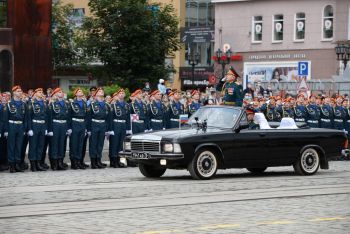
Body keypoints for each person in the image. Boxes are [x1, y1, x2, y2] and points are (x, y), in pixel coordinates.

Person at [3, 86, 27, 173]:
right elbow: (5, 118)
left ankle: (17, 164)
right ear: (14, 92)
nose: (20, 92)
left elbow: (25, 118)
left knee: (19, 146)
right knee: (11, 146)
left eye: (21, 91)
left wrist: (24, 128)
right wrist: (6, 130)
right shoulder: (8, 104)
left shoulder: (23, 104)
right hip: (11, 125)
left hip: (20, 126)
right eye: (18, 91)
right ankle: (12, 165)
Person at [87, 87, 111, 169]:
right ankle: (93, 162)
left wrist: (107, 129)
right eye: (99, 91)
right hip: (94, 124)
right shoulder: (92, 104)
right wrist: (89, 129)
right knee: (93, 144)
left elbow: (108, 118)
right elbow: (88, 118)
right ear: (96, 94)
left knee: (100, 144)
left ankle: (98, 160)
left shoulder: (106, 105)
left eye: (102, 91)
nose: (101, 92)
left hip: (102, 125)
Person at [27, 88, 49, 172]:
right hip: (34, 125)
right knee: (33, 145)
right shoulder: (31, 103)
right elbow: (29, 117)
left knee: (40, 145)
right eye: (39, 92)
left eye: (41, 92)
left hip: (42, 125)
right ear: (35, 94)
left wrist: (46, 128)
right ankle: (33, 165)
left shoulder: (44, 103)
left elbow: (46, 117)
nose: (41, 93)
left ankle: (38, 163)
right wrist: (29, 129)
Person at [48, 88, 71, 170]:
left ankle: (60, 162)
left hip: (64, 124)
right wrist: (50, 130)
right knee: (54, 144)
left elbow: (68, 117)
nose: (61, 93)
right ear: (56, 94)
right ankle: (54, 163)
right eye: (59, 92)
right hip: (56, 124)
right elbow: (50, 117)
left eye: (62, 92)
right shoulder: (52, 104)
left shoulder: (66, 104)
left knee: (62, 143)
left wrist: (68, 128)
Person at [109, 88, 131, 168]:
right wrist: (110, 129)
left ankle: (120, 160)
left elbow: (128, 117)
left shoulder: (126, 105)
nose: (121, 94)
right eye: (120, 93)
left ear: (124, 95)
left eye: (123, 93)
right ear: (117, 95)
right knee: (115, 143)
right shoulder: (113, 105)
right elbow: (110, 118)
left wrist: (128, 129)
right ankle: (113, 161)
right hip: (116, 124)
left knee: (121, 144)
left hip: (123, 125)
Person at [69, 88, 89, 169]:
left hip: (82, 124)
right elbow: (69, 116)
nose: (81, 92)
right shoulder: (72, 103)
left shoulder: (84, 103)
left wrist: (86, 128)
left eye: (81, 91)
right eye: (79, 91)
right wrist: (69, 127)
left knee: (80, 144)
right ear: (75, 94)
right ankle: (73, 162)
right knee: (74, 144)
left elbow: (86, 116)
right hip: (75, 123)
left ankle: (78, 161)